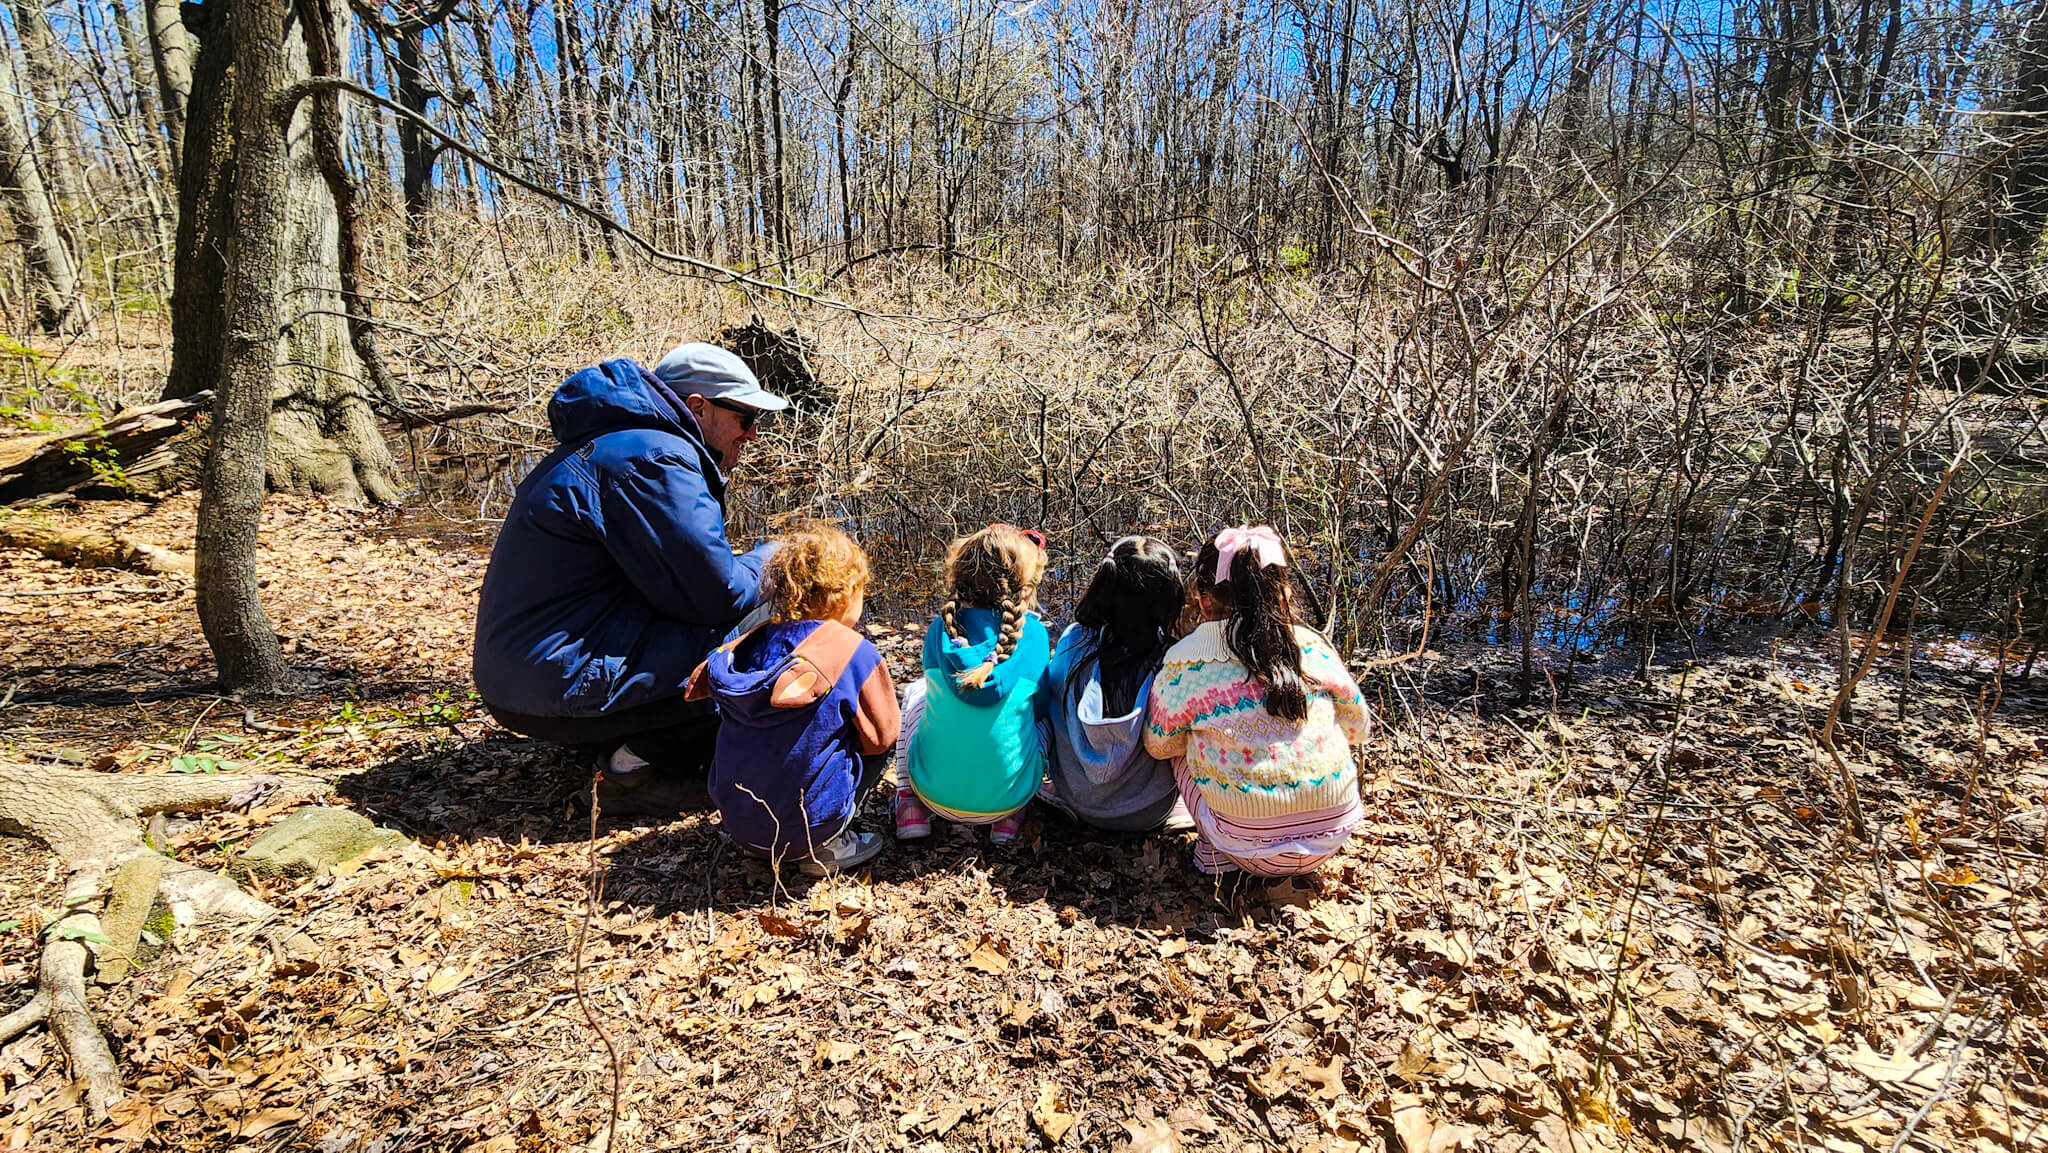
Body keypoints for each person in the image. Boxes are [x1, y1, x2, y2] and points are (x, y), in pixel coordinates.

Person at [472, 342, 788, 817]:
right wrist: (777, 556)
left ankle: (624, 736)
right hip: (554, 684)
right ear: (697, 407)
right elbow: (718, 595)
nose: (753, 435)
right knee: (769, 618)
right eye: (745, 419)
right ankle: (632, 770)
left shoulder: (624, 444)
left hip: (527, 679)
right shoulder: (653, 459)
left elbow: (683, 582)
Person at [1144, 525, 1371, 876]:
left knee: (1182, 753)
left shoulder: (1185, 661)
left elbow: (1159, 746)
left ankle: (1214, 856)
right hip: (1332, 834)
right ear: (1282, 594)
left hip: (1242, 843)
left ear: (1203, 600)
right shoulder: (1310, 645)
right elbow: (1358, 726)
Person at [687, 524, 898, 875]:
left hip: (739, 825)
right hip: (808, 828)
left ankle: (764, 840)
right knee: (882, 728)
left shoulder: (750, 641)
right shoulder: (851, 650)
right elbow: (881, 738)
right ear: (846, 594)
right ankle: (827, 845)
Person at [893, 524, 1051, 844]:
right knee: (1045, 721)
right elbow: (1041, 709)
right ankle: (1009, 817)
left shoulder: (940, 630)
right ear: (1024, 583)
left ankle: (909, 803)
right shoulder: (1035, 636)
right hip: (1008, 796)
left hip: (932, 793)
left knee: (915, 694)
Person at [1038, 536, 1194, 832]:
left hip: (1077, 799)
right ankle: (1186, 808)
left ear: (1104, 586)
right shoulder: (1175, 663)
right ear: (1171, 597)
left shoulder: (1074, 641)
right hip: (1151, 809)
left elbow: (1048, 700)